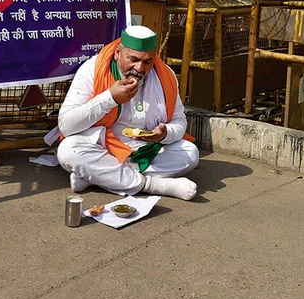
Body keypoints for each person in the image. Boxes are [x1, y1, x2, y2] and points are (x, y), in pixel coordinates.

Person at [57, 25, 199, 200]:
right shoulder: (92, 70)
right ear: (118, 53)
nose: (139, 68)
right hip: (103, 147)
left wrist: (164, 134)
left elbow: (179, 120)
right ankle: (151, 185)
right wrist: (110, 98)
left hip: (145, 149)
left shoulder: (165, 76)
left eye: (147, 61)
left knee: (190, 153)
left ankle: (99, 176)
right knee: (68, 150)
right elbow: (66, 125)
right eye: (133, 59)